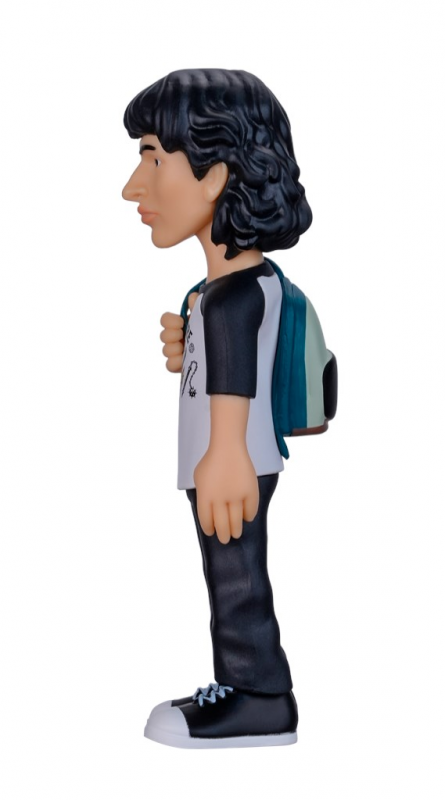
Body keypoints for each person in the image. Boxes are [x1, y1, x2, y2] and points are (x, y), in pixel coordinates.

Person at [122, 68, 312, 748]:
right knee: (230, 575)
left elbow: (237, 376)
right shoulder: (225, 290)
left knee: (236, 581)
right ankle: (243, 685)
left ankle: (258, 695)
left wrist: (225, 453)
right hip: (223, 462)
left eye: (152, 158)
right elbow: (227, 365)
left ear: (214, 176)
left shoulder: (233, 298)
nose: (133, 187)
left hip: (229, 467)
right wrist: (190, 346)